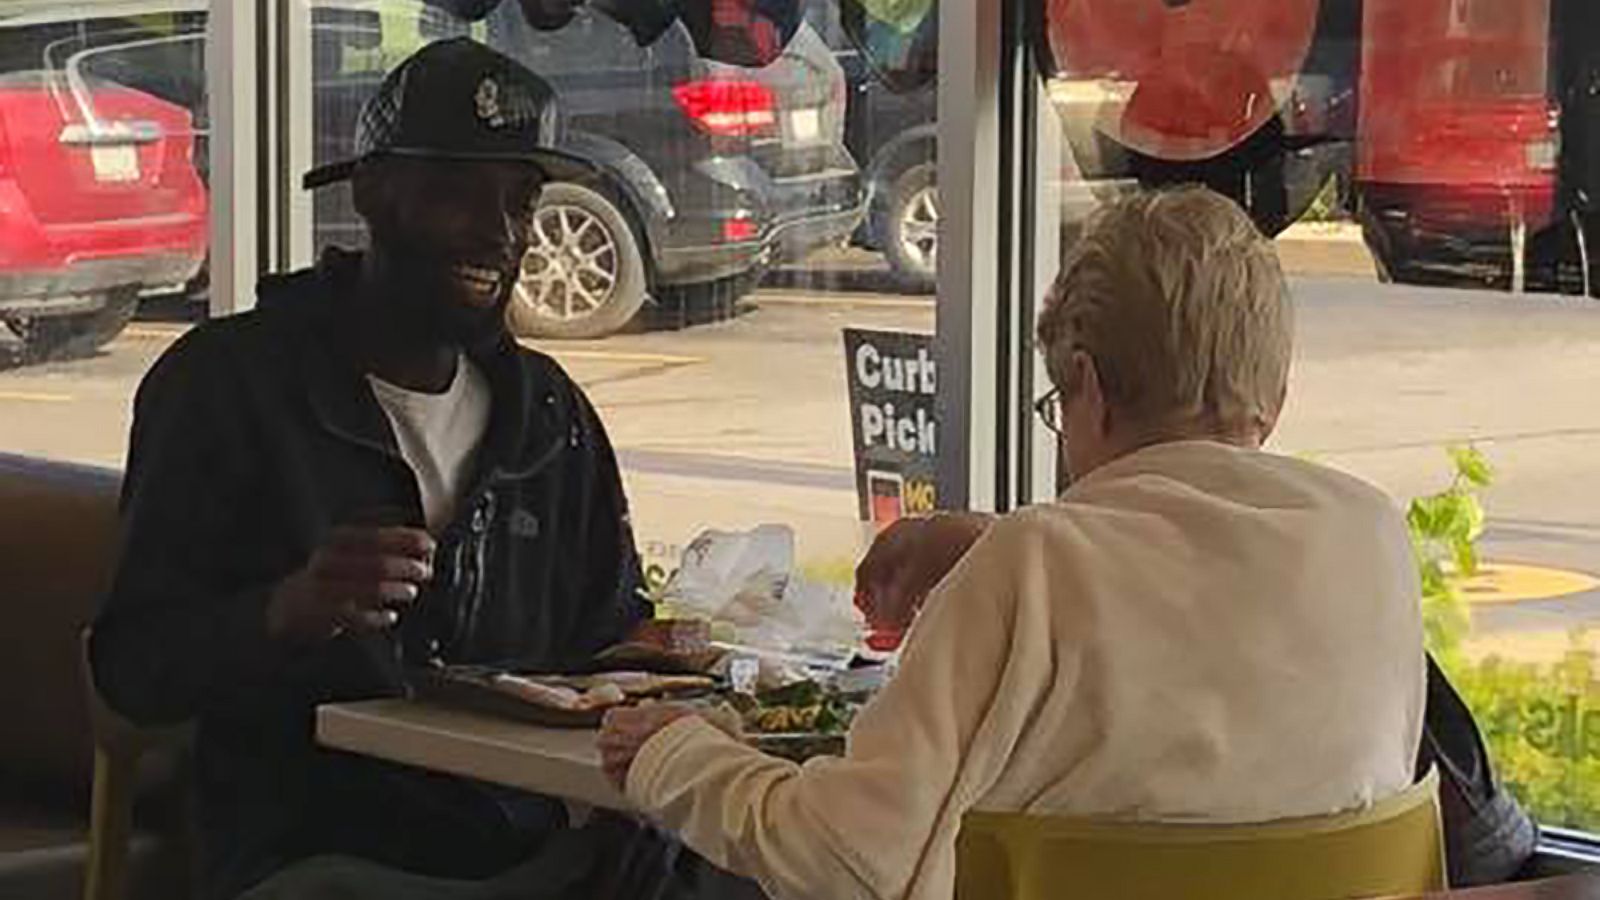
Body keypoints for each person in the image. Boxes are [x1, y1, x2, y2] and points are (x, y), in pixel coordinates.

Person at [599, 187, 1426, 900]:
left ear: (1089, 392)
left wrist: (674, 754)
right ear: (1274, 398)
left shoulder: (1031, 571)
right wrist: (995, 544)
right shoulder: (1371, 542)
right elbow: (1202, 585)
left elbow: (843, 862)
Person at [91, 39, 653, 900]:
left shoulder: (551, 417)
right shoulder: (225, 387)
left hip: (535, 849)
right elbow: (133, 671)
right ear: (373, 195)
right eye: (455, 193)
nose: (499, 233)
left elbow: (609, 646)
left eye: (520, 199)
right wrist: (286, 609)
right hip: (317, 851)